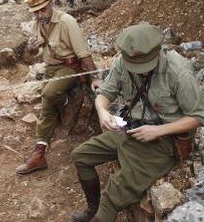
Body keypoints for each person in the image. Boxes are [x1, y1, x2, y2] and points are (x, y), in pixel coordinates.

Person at [70, 24, 204, 222]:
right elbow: (104, 94)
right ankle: (93, 210)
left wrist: (158, 130)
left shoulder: (178, 71)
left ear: (157, 52)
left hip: (164, 141)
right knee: (81, 156)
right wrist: (103, 112)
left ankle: (101, 214)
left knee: (114, 192)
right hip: (131, 129)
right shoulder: (123, 62)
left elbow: (199, 116)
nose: (139, 71)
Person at [16, 0, 102, 175]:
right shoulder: (38, 23)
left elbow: (83, 53)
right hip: (51, 68)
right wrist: (31, 48)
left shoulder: (66, 21)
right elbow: (31, 56)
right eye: (35, 12)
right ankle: (40, 153)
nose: (39, 15)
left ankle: (64, 104)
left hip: (70, 68)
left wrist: (94, 77)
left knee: (48, 94)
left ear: (50, 4)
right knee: (47, 106)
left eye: (42, 10)